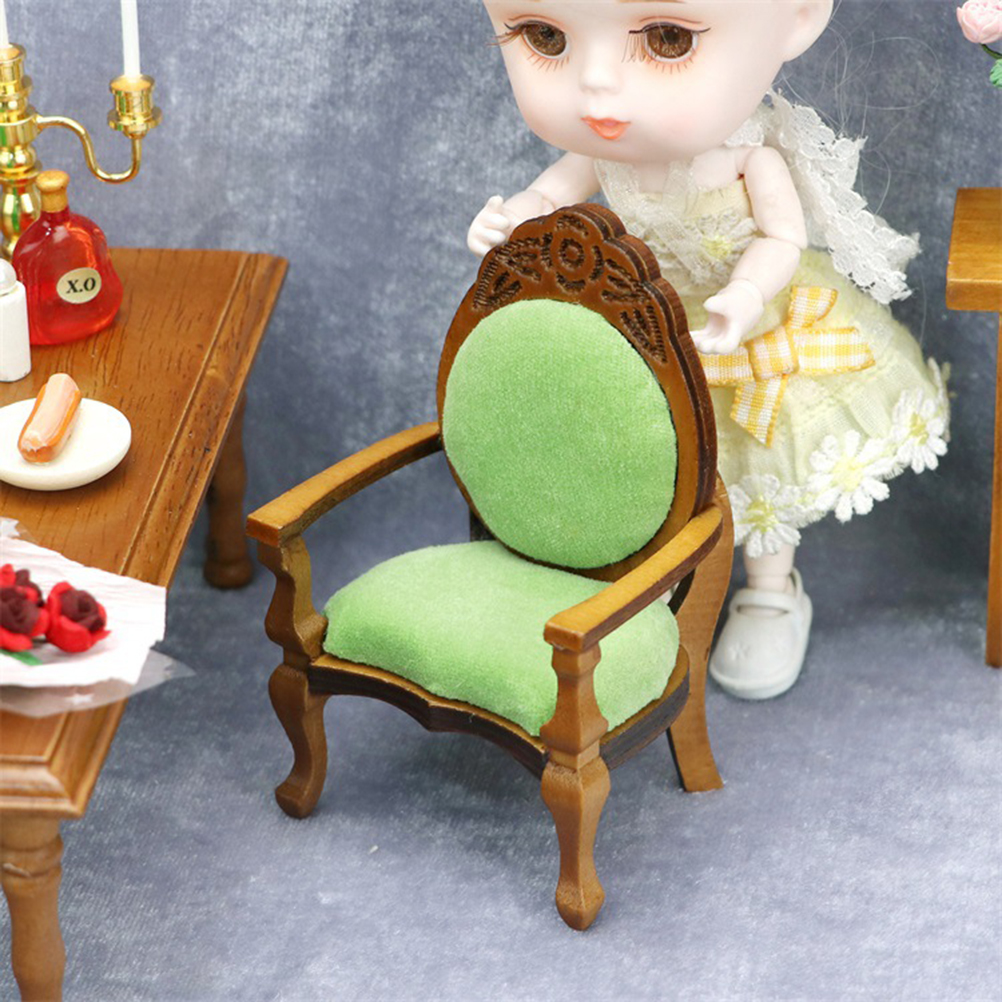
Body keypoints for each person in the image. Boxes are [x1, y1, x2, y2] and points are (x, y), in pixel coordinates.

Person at [468, 0, 949, 699]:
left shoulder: (746, 159)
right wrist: (513, 216)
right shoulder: (603, 153)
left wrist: (746, 294)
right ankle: (656, 577)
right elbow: (548, 193)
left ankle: (771, 590)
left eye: (667, 39)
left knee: (759, 460)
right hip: (650, 340)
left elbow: (782, 239)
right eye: (546, 36)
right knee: (652, 469)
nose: (597, 85)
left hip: (748, 334)